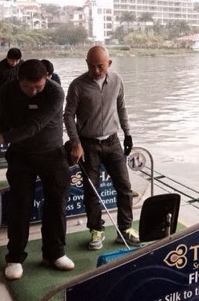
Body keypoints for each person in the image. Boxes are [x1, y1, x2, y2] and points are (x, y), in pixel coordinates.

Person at [0, 59, 74, 280]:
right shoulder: (7, 90)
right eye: (27, 87)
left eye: (38, 87)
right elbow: (4, 122)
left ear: (46, 79)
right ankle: (14, 258)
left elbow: (33, 126)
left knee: (56, 205)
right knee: (19, 206)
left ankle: (54, 253)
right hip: (21, 156)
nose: (33, 92)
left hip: (52, 154)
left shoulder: (55, 92)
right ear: (18, 79)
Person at [63, 45, 140, 250]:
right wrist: (76, 143)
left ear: (109, 63)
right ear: (86, 63)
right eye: (91, 66)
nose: (96, 70)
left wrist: (128, 133)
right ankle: (96, 230)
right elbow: (68, 116)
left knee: (124, 187)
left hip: (113, 142)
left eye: (100, 66)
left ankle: (125, 228)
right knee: (92, 191)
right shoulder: (77, 85)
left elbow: (121, 107)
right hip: (88, 144)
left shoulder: (117, 81)